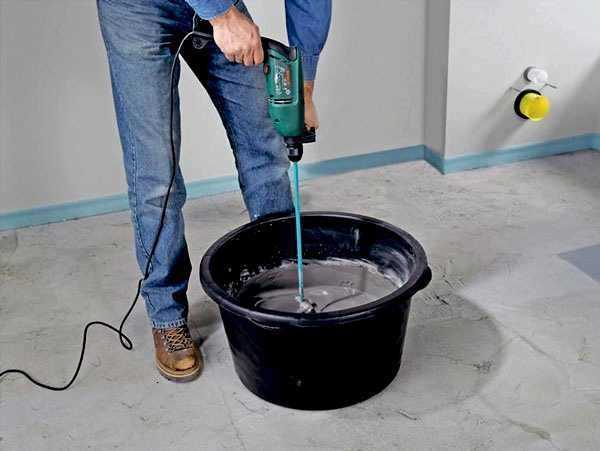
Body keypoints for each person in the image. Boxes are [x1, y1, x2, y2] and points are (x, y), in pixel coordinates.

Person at [96, 0, 331, 382]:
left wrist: (302, 85)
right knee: (157, 176)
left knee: (266, 150)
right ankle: (167, 316)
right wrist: (222, 15)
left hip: (219, 5)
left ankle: (283, 285)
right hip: (136, 10)